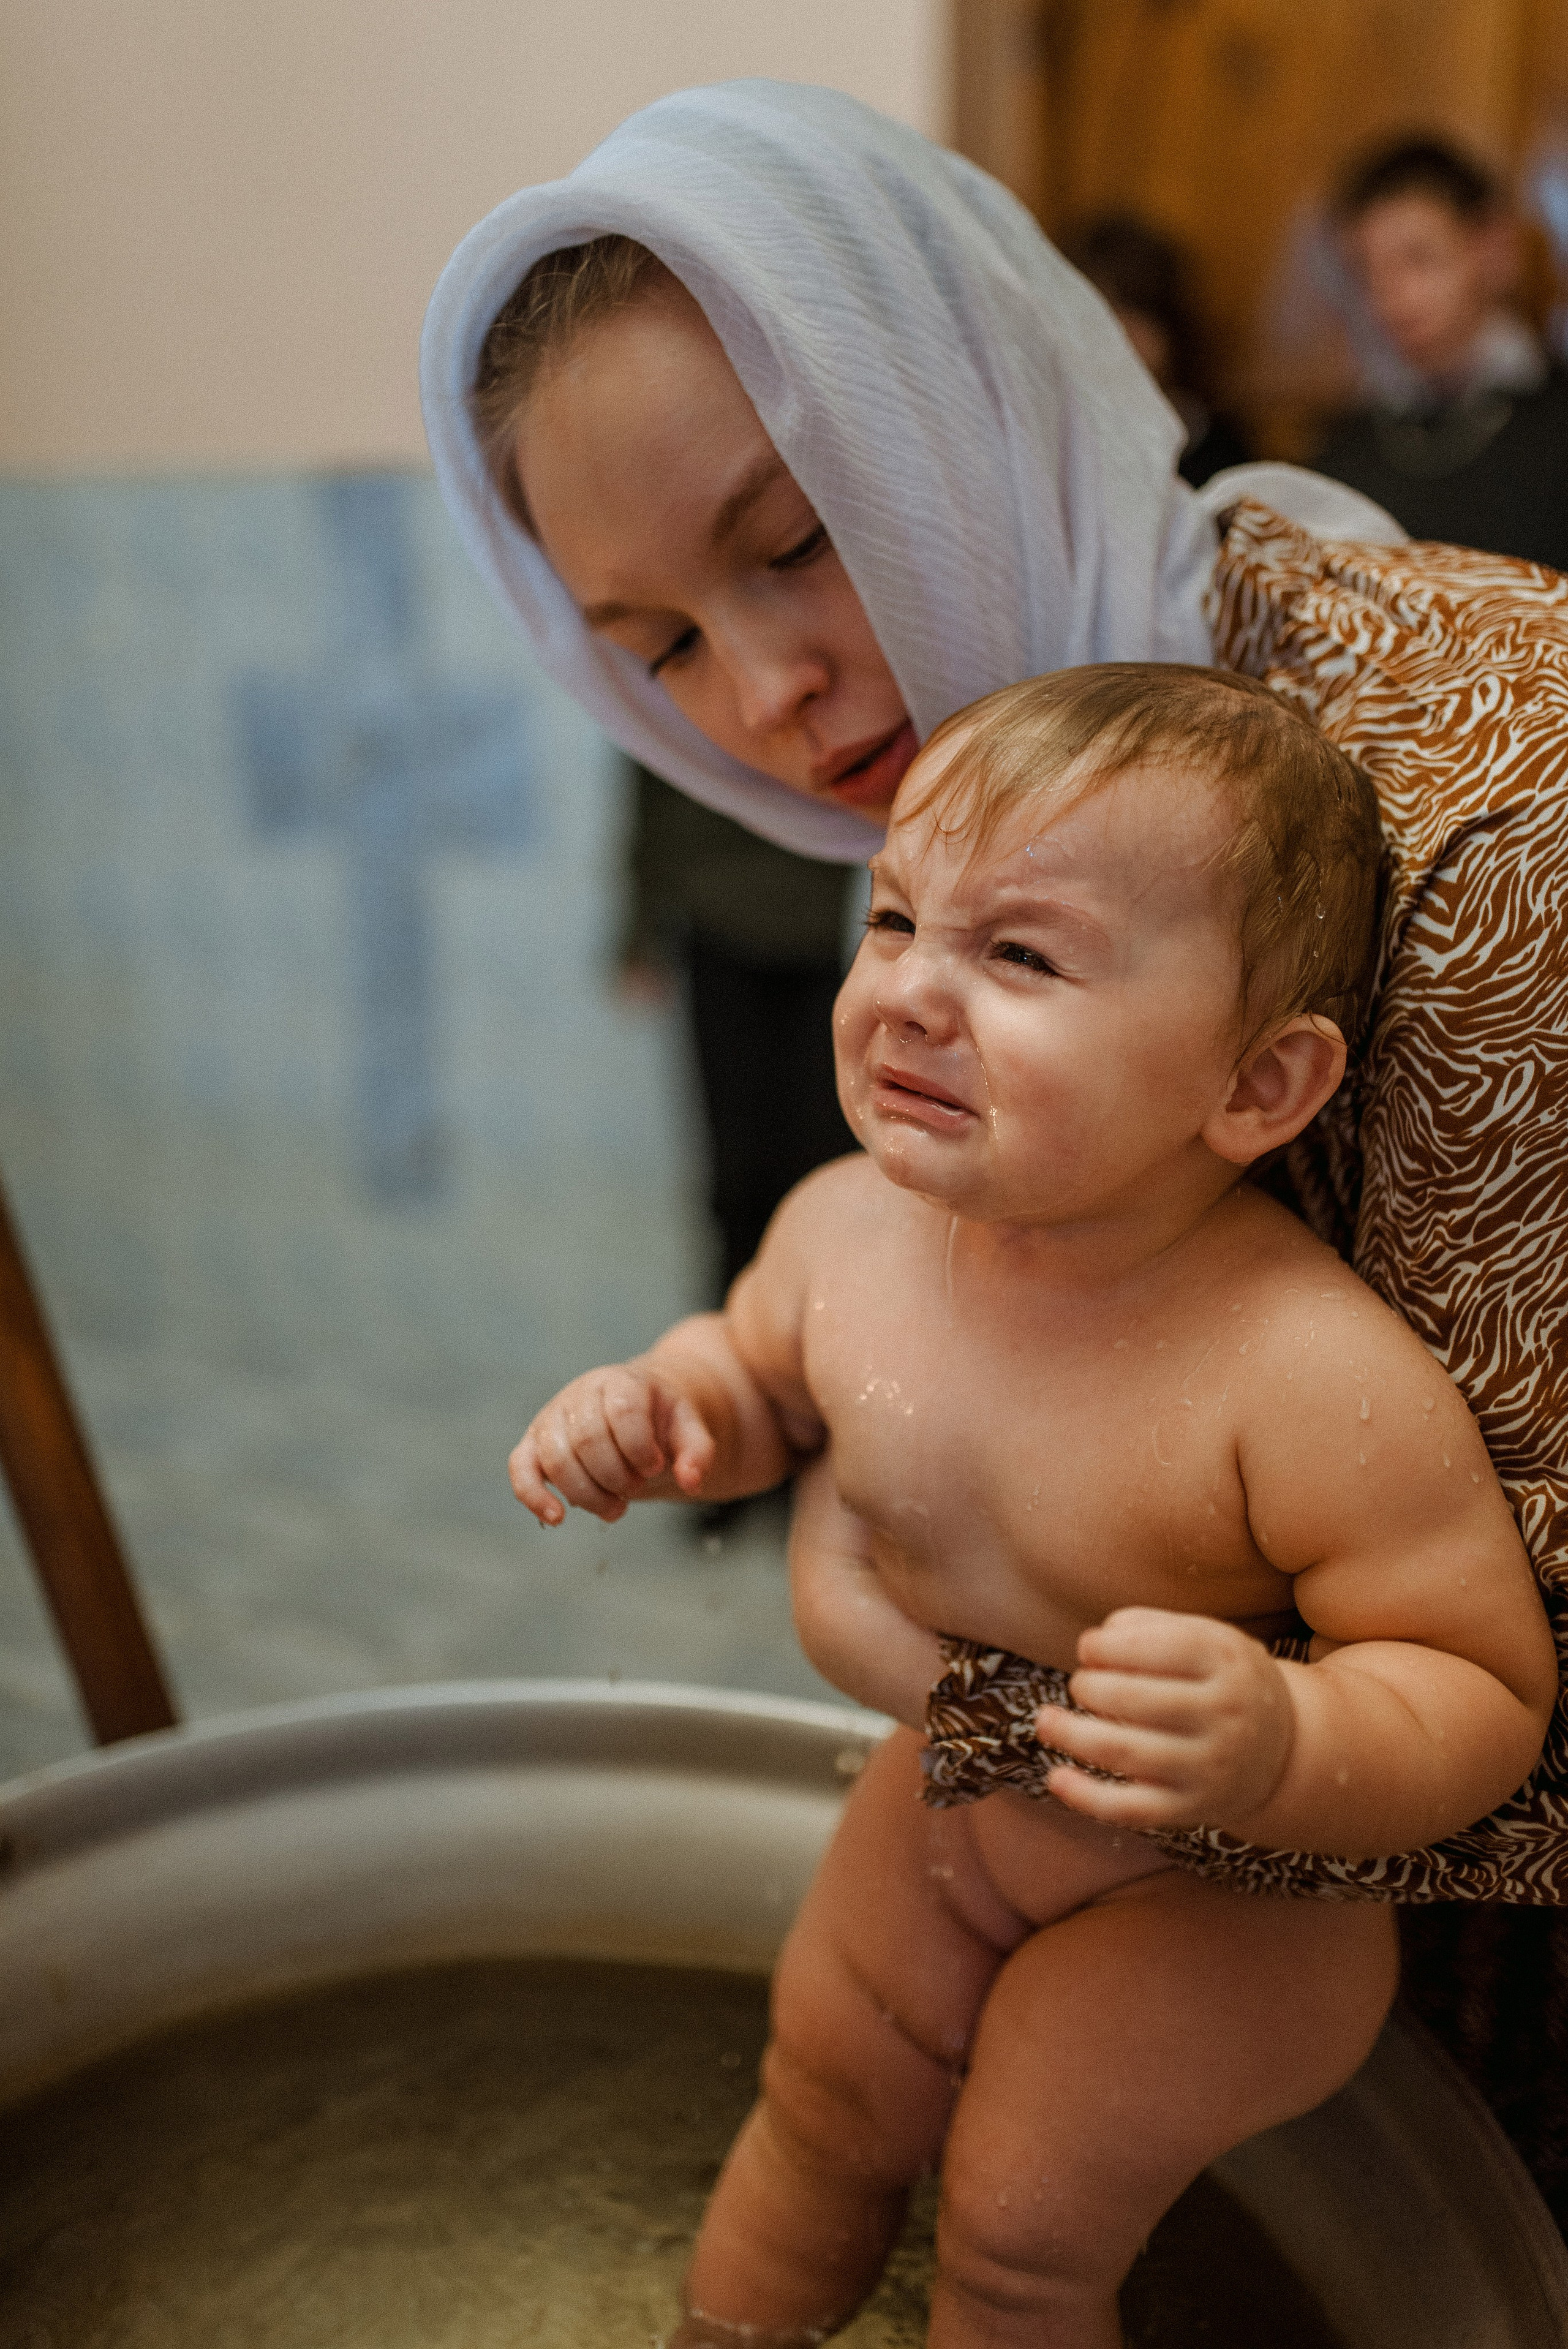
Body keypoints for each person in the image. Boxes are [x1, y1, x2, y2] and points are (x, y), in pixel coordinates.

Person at [422, 83, 1568, 2219]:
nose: (765, 696)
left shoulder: (1491, 832)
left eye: (796, 541)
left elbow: (1489, 1678)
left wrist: (904, 1615)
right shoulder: (968, 863)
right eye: (657, 639)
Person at [510, 664, 1556, 2345]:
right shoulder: (845, 1230)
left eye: (1019, 954)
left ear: (1259, 1086)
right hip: (952, 1814)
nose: (913, 992)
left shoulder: (1298, 1373)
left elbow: (1488, 1687)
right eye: (898, 918)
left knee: (1017, 2227)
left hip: (1214, 1899)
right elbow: (755, 1380)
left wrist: (1288, 1736)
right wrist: (661, 1410)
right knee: (820, 2106)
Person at [619, 760, 854, 1300]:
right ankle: (737, 1346)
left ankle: (811, 1333)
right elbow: (651, 778)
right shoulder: (677, 694)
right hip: (717, 925)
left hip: (827, 929)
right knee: (738, 1178)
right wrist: (638, 930)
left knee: (826, 1167)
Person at [1313, 135, 1568, 567]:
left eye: (1419, 259)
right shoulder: (1345, 444)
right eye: (1366, 272)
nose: (1388, 298)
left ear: (1496, 251)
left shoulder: (1557, 422)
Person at [1056, 213, 1251, 488]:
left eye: (1134, 312)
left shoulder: (1216, 450)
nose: (1119, 335)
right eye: (1099, 315)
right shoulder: (1055, 435)